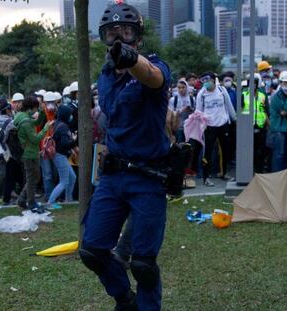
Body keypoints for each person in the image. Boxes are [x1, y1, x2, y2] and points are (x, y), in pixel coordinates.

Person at [79, 3, 171, 310]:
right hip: (113, 177)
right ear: (103, 38)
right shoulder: (105, 77)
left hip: (148, 177)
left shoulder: (153, 65)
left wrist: (132, 61)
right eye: (111, 33)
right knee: (92, 250)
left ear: (138, 38)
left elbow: (154, 77)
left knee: (143, 264)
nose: (119, 38)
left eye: (126, 32)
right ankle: (124, 300)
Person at [195, 71, 236, 186]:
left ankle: (223, 173)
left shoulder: (222, 91)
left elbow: (229, 106)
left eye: (207, 80)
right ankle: (206, 177)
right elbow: (198, 111)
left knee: (225, 150)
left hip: (223, 124)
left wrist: (234, 119)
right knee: (207, 152)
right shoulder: (201, 94)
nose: (205, 82)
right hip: (209, 127)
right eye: (202, 80)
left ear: (213, 80)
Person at [14, 96, 53, 213]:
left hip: (28, 152)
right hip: (29, 154)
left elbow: (35, 122)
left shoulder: (21, 116)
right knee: (32, 179)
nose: (36, 110)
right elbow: (35, 139)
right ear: (30, 108)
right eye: (36, 108)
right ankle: (31, 203)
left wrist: (41, 112)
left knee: (34, 177)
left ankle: (22, 200)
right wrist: (46, 128)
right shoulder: (25, 122)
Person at [48, 104, 77, 204]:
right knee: (64, 181)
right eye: (69, 114)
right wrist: (74, 140)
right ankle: (51, 202)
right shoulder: (64, 127)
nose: (71, 116)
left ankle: (68, 200)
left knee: (72, 177)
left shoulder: (57, 123)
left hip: (59, 155)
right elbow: (65, 143)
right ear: (66, 115)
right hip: (60, 155)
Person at [269, 71, 287, 172]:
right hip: (278, 129)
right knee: (279, 156)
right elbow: (284, 111)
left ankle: (282, 178)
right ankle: (277, 178)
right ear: (280, 82)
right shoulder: (276, 96)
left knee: (285, 155)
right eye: (285, 83)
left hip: (286, 129)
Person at [241, 75, 269, 173]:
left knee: (260, 151)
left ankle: (259, 170)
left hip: (260, 126)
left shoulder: (262, 95)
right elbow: (239, 111)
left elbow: (266, 110)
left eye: (254, 83)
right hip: (248, 127)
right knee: (248, 151)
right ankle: (247, 171)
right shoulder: (243, 94)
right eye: (250, 82)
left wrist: (267, 123)